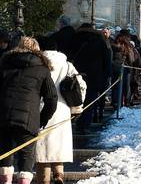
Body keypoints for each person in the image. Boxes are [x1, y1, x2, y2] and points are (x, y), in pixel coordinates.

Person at [0, 37, 58, 184]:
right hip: (28, 119)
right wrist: (42, 119)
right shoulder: (42, 68)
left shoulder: (5, 64)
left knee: (5, 156)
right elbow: (51, 98)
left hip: (4, 116)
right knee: (26, 160)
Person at [35, 36, 87, 184]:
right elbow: (81, 85)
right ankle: (59, 175)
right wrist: (77, 106)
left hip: (42, 108)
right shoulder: (67, 65)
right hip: (63, 109)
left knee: (43, 153)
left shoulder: (38, 63)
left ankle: (43, 180)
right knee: (58, 149)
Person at [71, 23, 110, 130]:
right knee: (90, 100)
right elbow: (106, 59)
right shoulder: (99, 40)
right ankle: (84, 123)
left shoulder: (74, 39)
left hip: (75, 73)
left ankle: (72, 120)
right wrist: (106, 75)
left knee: (74, 97)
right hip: (94, 75)